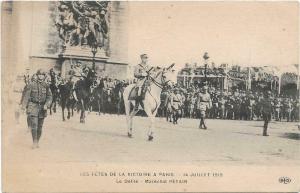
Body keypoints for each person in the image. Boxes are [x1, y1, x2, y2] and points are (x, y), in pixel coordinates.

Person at [21, 69, 52, 149]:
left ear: (44, 76)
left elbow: (49, 97)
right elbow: (26, 96)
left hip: (42, 108)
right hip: (33, 106)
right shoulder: (31, 84)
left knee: (40, 126)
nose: (41, 76)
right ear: (37, 75)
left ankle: (37, 141)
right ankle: (34, 142)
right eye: (39, 74)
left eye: (42, 75)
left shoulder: (46, 85)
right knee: (34, 125)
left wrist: (47, 104)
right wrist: (23, 107)